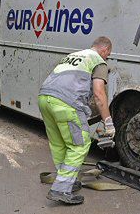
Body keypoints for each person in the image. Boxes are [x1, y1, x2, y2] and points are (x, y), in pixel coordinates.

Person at [38, 36, 116, 204]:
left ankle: (67, 182)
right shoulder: (98, 61)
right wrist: (108, 122)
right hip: (66, 104)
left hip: (44, 98)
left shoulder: (75, 55)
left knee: (59, 144)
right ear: (105, 50)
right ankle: (60, 189)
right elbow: (98, 94)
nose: (107, 58)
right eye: (108, 55)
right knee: (80, 144)